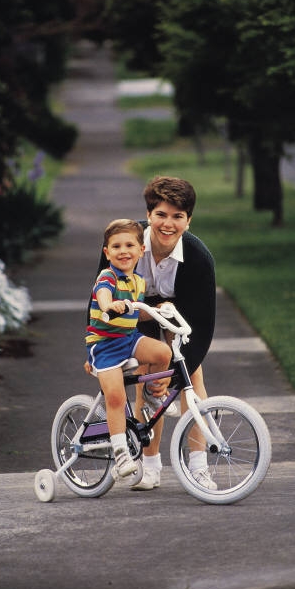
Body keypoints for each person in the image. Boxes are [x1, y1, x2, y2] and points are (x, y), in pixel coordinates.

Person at [94, 176, 217, 491]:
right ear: (148, 216)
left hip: (179, 311)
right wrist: (97, 345)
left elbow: (202, 324)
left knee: (193, 378)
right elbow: (99, 299)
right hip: (135, 313)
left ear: (188, 222)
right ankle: (150, 467)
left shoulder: (199, 258)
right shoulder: (125, 243)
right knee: (147, 379)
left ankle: (199, 465)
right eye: (161, 214)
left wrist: (180, 370)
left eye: (177, 217)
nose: (168, 223)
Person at [85, 218, 172, 481]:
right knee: (116, 397)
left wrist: (156, 311)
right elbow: (102, 296)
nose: (123, 251)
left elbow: (136, 315)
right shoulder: (107, 277)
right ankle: (121, 452)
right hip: (105, 346)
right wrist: (109, 305)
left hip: (128, 338)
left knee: (163, 353)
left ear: (140, 250)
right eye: (116, 246)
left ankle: (151, 394)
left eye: (129, 245)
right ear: (107, 252)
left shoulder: (138, 282)